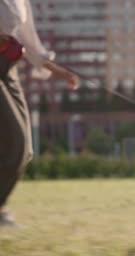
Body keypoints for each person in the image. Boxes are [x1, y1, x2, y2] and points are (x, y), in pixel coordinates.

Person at [0, 0, 79, 227]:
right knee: (14, 141)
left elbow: (28, 38)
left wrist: (58, 71)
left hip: (7, 67)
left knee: (24, 150)